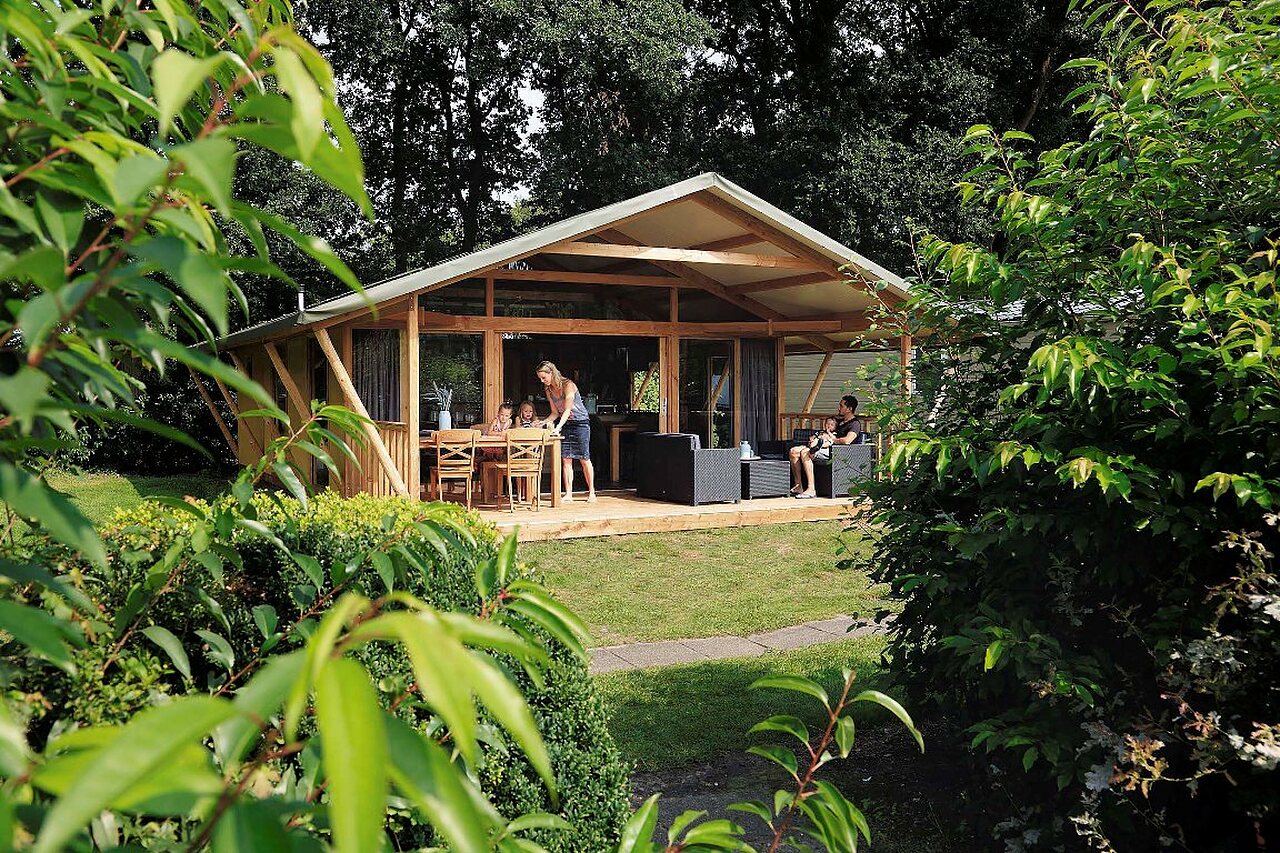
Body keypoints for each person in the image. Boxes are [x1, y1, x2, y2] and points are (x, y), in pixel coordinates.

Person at [537, 360, 595, 503]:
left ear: (551, 373)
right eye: (540, 378)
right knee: (566, 459)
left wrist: (558, 427)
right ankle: (568, 493)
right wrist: (542, 422)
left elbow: (568, 409)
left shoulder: (568, 385)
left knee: (584, 458)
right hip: (566, 423)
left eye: (544, 377)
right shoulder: (548, 390)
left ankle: (591, 492)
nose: (542, 381)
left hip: (580, 423)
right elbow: (555, 413)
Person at [789, 395, 865, 498]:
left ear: (849, 409)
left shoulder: (855, 424)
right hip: (826, 447)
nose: (838, 408)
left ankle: (811, 489)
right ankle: (799, 486)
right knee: (793, 451)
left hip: (838, 453)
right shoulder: (840, 422)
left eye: (841, 406)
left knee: (805, 452)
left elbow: (847, 441)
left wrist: (833, 440)